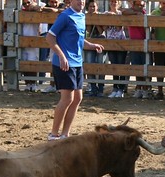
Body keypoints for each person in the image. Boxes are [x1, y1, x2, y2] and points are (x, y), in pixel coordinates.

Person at [46, 0, 104, 140]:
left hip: (77, 63)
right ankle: (53, 134)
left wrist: (91, 45)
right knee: (67, 98)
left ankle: (65, 134)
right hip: (65, 63)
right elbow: (50, 37)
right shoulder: (65, 16)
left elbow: (79, 39)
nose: (81, 2)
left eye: (83, 0)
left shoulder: (81, 16)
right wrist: (61, 56)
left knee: (78, 98)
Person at [122, 0, 152, 99]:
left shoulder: (143, 13)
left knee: (146, 68)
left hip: (144, 43)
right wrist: (135, 12)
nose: (140, 7)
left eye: (142, 5)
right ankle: (139, 88)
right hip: (134, 44)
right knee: (137, 67)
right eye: (138, 5)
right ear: (133, 5)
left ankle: (146, 89)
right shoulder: (131, 12)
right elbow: (124, 12)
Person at [103, 0, 127, 98]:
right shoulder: (105, 13)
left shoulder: (121, 13)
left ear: (119, 3)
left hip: (121, 43)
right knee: (114, 66)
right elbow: (105, 27)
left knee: (120, 66)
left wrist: (114, 16)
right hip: (110, 43)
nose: (114, 3)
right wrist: (109, 17)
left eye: (116, 1)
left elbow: (118, 27)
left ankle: (121, 89)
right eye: (112, 1)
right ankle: (115, 88)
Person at [21, 0, 45, 92]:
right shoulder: (21, 9)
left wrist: (34, 7)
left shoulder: (39, 4)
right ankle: (27, 84)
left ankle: (34, 83)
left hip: (34, 39)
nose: (26, 5)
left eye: (28, 2)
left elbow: (42, 8)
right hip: (22, 39)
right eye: (24, 3)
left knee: (33, 61)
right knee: (24, 62)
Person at [84, 0, 107, 97]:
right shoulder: (85, 17)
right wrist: (90, 20)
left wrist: (96, 21)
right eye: (90, 7)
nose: (92, 8)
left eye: (94, 6)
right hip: (90, 41)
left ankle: (100, 88)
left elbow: (101, 31)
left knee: (101, 64)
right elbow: (88, 31)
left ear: (97, 7)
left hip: (101, 40)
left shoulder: (101, 16)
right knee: (89, 64)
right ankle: (93, 88)